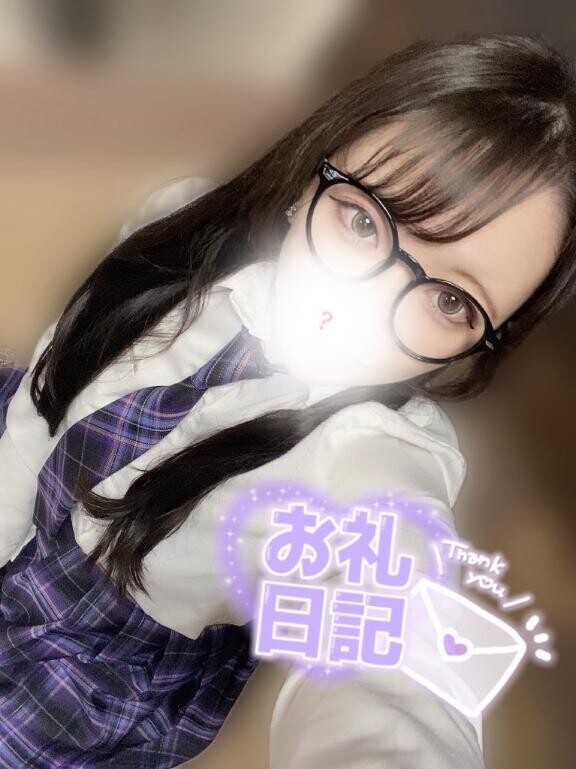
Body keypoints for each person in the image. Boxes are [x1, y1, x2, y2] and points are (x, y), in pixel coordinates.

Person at [0, 31, 574, 769]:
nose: (362, 305)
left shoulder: (374, 458)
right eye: (363, 221)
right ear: (314, 170)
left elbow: (393, 643)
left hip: (88, 668)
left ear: (479, 341)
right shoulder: (183, 225)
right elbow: (48, 391)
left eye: (449, 301)